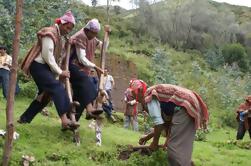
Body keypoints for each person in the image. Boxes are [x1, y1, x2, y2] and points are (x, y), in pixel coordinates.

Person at [18, 11, 79, 130]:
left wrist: (68, 45)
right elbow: (48, 56)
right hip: (38, 66)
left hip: (45, 68)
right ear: (61, 24)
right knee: (57, 87)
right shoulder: (49, 33)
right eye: (67, 27)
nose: (68, 31)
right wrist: (61, 72)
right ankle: (65, 121)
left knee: (44, 96)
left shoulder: (59, 37)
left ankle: (24, 119)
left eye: (70, 29)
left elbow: (59, 55)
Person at [130, 81, 209, 166]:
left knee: (174, 150)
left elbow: (159, 124)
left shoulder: (149, 97)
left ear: (138, 94)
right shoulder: (156, 95)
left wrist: (154, 143)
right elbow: (167, 123)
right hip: (189, 104)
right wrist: (148, 137)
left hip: (185, 104)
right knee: (183, 149)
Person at [69, 18, 104, 121]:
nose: (93, 36)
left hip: (82, 69)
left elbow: (102, 46)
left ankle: (71, 120)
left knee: (80, 96)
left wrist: (107, 37)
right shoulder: (81, 36)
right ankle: (89, 109)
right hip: (71, 65)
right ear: (87, 29)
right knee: (89, 85)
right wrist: (95, 67)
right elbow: (81, 58)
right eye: (92, 33)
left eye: (95, 34)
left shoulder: (92, 38)